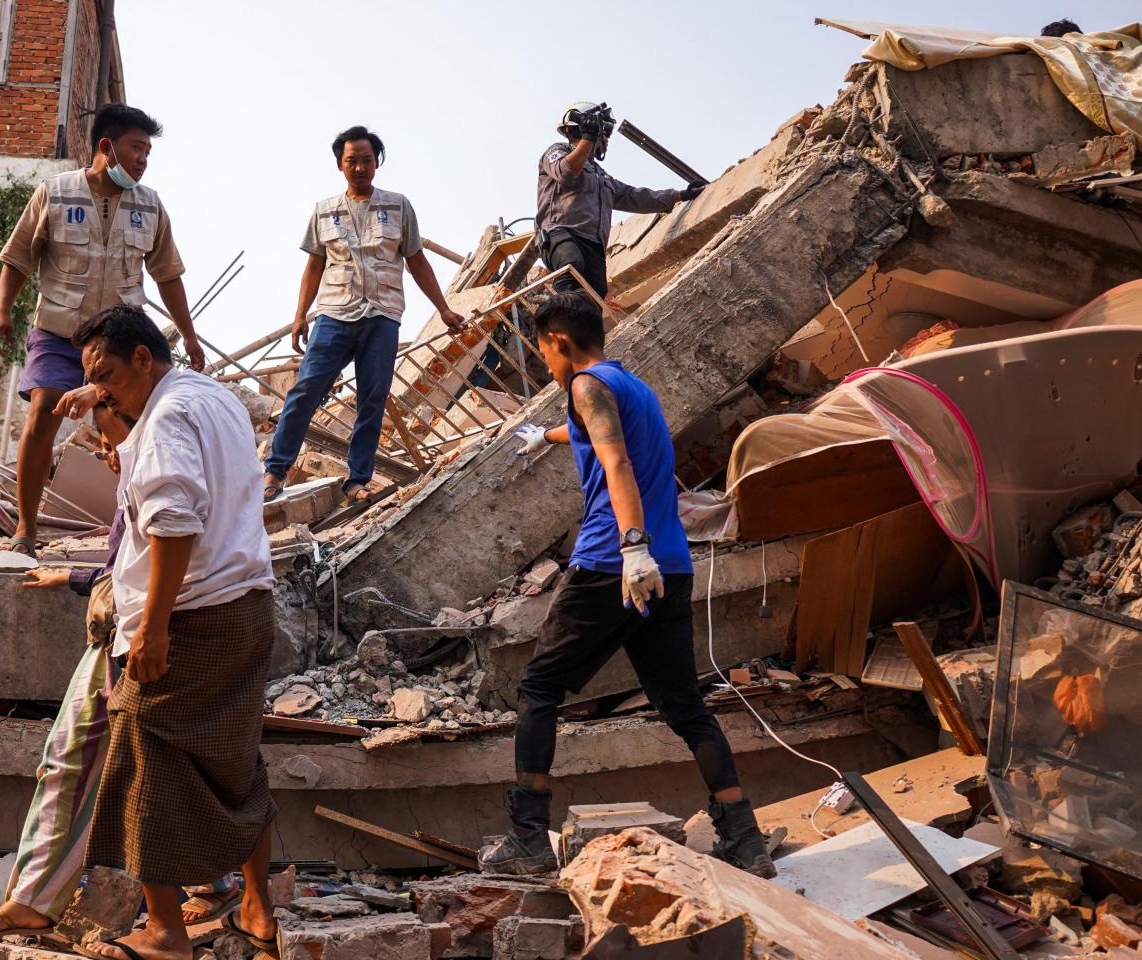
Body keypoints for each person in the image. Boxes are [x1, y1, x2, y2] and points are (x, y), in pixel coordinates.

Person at [477, 292, 776, 879]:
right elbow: (596, 434)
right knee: (685, 706)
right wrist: (547, 437)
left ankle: (528, 840)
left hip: (612, 563)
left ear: (558, 342)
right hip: (671, 565)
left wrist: (631, 545)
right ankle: (745, 840)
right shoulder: (630, 387)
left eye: (543, 353)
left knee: (540, 689)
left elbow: (616, 463)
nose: (547, 366)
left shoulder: (586, 386)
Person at [0, 403, 241, 946]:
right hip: (138, 633)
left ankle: (35, 901)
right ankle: (219, 882)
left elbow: (164, 555)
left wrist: (147, 631)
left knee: (74, 760)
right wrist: (77, 577)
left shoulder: (159, 472)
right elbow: (129, 562)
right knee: (167, 764)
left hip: (134, 641)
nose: (106, 454)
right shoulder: (154, 476)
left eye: (110, 441)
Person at [74, 305, 279, 960]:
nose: (101, 392)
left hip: (192, 614)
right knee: (232, 763)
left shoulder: (164, 420)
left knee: (139, 748)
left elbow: (174, 523)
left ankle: (165, 931)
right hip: (245, 603)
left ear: (144, 358)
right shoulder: (211, 398)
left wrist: (155, 628)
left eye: (107, 376)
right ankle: (256, 912)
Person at [0, 103, 205, 560]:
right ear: (107, 147)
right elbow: (18, 258)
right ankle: (26, 530)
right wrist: (2, 312)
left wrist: (188, 333)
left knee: (124, 428)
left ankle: (130, 532)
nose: (144, 160)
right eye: (136, 149)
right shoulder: (55, 193)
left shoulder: (150, 206)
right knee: (45, 410)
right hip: (59, 328)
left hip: (120, 339)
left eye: (148, 152)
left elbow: (167, 274)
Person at [262, 125, 467, 505]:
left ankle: (357, 481)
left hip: (383, 315)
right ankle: (276, 470)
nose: (360, 167)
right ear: (340, 164)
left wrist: (443, 308)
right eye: (351, 161)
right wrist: (299, 315)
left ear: (377, 163)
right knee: (307, 390)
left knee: (372, 398)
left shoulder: (398, 205)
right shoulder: (324, 211)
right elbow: (314, 265)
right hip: (334, 313)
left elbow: (416, 260)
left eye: (367, 160)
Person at [536, 102, 703, 300]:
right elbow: (566, 172)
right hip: (561, 232)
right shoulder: (556, 152)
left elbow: (634, 196)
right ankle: (559, 316)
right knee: (571, 267)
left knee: (597, 293)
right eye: (604, 133)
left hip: (594, 243)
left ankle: (586, 328)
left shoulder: (601, 177)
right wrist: (588, 138)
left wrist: (680, 195)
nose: (606, 140)